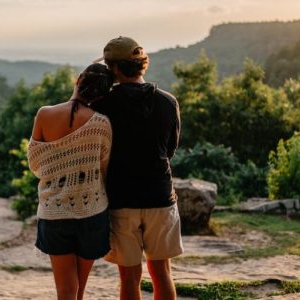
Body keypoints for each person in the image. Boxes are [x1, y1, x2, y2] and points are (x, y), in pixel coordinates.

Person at [91, 36, 183, 300]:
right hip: (160, 196)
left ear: (114, 69)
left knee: (129, 278)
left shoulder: (101, 105)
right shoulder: (168, 102)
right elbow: (169, 150)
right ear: (142, 64)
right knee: (162, 272)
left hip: (121, 199)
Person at [27, 63, 115, 300]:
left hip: (55, 213)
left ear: (78, 79)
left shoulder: (44, 114)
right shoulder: (102, 123)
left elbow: (36, 165)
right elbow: (104, 170)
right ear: (102, 94)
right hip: (92, 211)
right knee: (79, 291)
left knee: (65, 291)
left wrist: (59, 162)